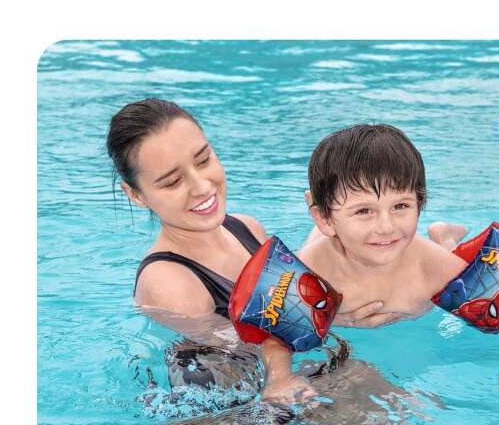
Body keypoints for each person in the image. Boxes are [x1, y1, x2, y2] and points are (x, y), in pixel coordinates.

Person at [106, 98, 390, 403]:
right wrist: (336, 318)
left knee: (372, 384)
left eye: (203, 160)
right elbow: (250, 348)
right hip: (226, 419)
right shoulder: (168, 282)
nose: (201, 186)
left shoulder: (246, 227)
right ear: (136, 194)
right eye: (173, 182)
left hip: (288, 386)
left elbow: (290, 294)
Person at [295, 124, 499, 400]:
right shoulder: (312, 268)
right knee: (319, 244)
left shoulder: (431, 267)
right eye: (364, 210)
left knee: (455, 266)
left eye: (401, 206)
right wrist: (320, 325)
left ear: (419, 202)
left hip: (389, 250)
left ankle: (445, 238)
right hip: (334, 246)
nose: (386, 227)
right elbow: (273, 328)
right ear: (324, 218)